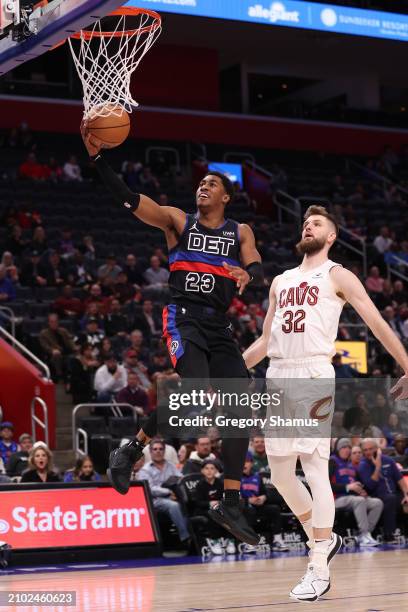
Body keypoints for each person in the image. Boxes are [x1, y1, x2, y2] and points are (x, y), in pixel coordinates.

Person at [82, 123, 263, 545]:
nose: (203, 187)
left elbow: (255, 264)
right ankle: (131, 448)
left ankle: (229, 501)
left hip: (219, 326)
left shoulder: (239, 231)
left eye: (212, 184)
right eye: (201, 182)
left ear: (226, 197)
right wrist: (96, 159)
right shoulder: (177, 221)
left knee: (241, 409)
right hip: (183, 316)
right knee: (196, 391)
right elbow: (129, 199)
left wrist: (247, 274)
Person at [243, 205, 408, 602]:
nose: (308, 226)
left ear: (331, 236)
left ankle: (318, 565)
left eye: (316, 223)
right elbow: (266, 341)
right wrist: (227, 369)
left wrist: (406, 363)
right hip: (278, 376)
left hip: (313, 373)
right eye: (305, 223)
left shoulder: (337, 274)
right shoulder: (281, 281)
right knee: (281, 476)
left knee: (314, 465)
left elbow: (375, 321)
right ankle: (325, 538)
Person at [329, 438, 382, 547]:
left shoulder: (351, 465)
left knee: (377, 503)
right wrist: (348, 487)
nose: (347, 450)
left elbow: (356, 484)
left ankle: (365, 534)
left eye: (349, 447)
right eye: (344, 447)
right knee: (359, 500)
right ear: (338, 449)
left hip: (352, 499)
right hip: (336, 499)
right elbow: (326, 485)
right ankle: (364, 534)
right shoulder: (332, 461)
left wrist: (361, 491)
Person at [137, 439, 190, 546]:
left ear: (164, 451)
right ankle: (186, 538)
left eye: (161, 449)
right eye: (155, 449)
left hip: (172, 497)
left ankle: (194, 537)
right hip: (155, 501)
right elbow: (150, 489)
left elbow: (180, 479)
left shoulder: (171, 466)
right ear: (151, 452)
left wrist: (176, 491)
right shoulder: (145, 470)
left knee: (186, 503)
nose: (158, 451)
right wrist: (169, 492)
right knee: (173, 505)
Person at [358, 438, 408, 543]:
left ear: (377, 448)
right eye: (365, 450)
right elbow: (370, 486)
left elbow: (400, 480)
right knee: (390, 499)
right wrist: (377, 467)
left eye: (371, 449)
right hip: (376, 495)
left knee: (401, 500)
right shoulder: (362, 465)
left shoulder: (389, 460)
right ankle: (389, 535)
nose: (368, 452)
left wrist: (406, 495)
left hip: (393, 494)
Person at [240, 454, 288, 553]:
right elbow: (231, 498)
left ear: (251, 463)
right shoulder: (234, 478)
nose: (244, 464)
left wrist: (263, 498)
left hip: (257, 506)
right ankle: (248, 542)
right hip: (242, 507)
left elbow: (265, 493)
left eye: (247, 461)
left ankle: (277, 540)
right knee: (249, 510)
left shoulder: (257, 477)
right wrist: (247, 500)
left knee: (274, 509)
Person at [194, 459, 236, 555]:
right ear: (202, 471)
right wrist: (210, 503)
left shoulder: (220, 483)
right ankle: (215, 541)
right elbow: (197, 502)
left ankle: (230, 540)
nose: (209, 471)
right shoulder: (200, 485)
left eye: (212, 468)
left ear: (216, 471)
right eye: (206, 468)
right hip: (204, 510)